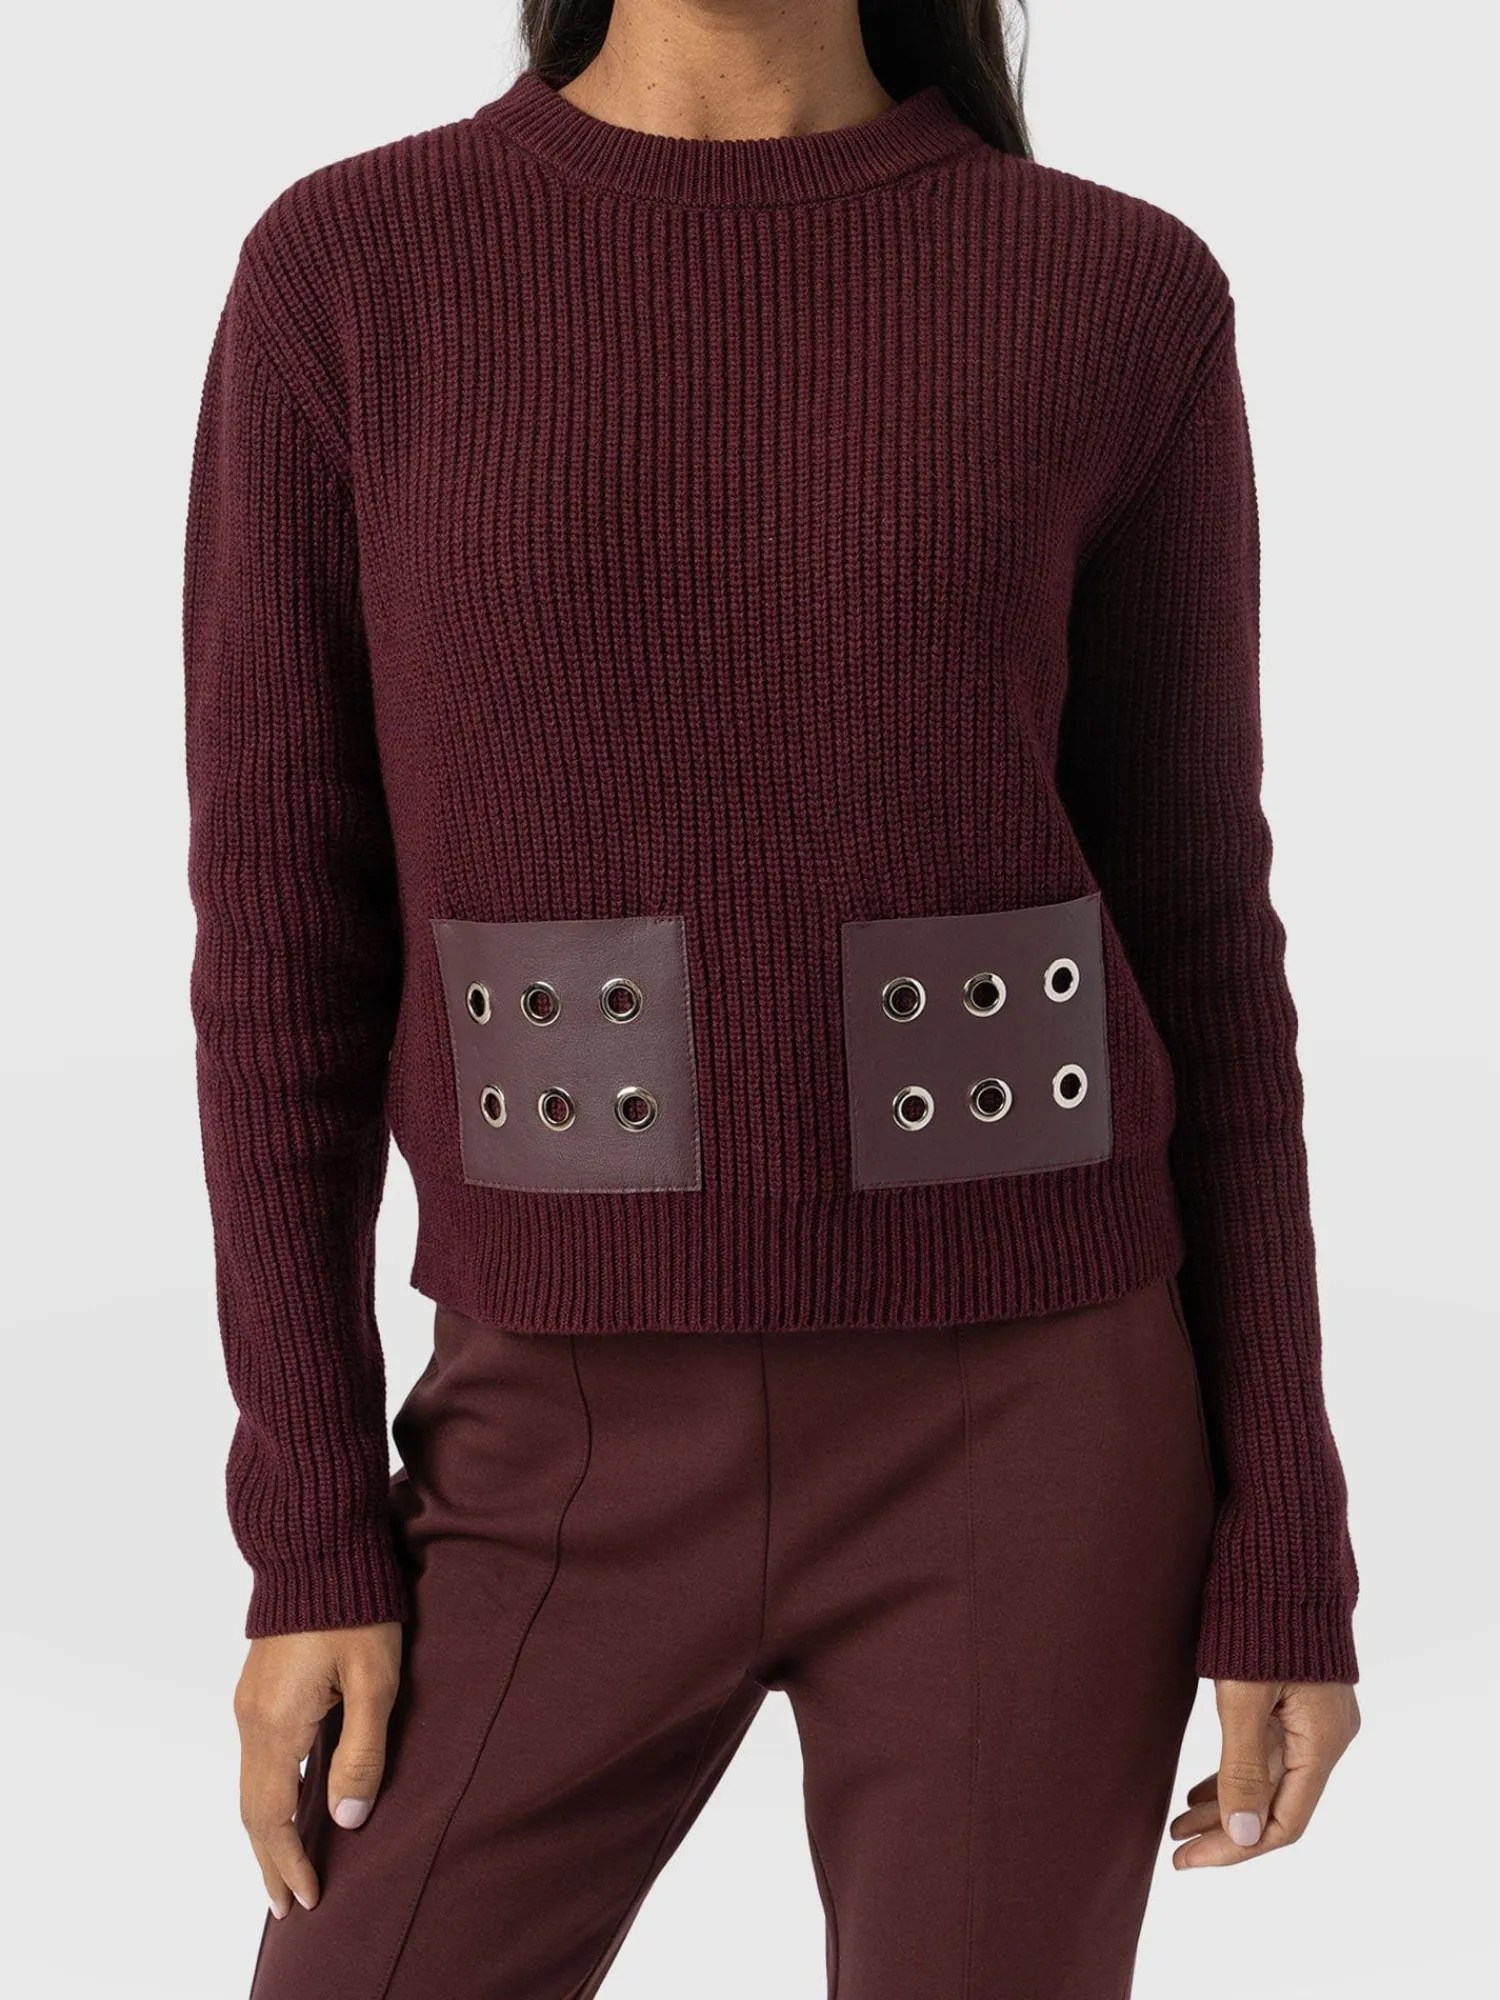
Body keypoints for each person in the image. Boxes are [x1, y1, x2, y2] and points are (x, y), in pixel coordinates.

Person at [181, 3, 1362, 1994]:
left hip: (1039, 1428)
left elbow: (1202, 941)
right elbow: (283, 952)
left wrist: (1286, 1540)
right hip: (550, 1429)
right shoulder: (351, 274)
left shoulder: (1112, 291)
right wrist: (308, 1532)